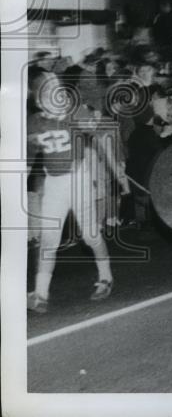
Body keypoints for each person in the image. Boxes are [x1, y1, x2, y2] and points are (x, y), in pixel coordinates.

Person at [26, 74, 129, 313]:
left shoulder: (76, 112)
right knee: (48, 239)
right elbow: (29, 158)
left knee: (90, 235)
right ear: (40, 101)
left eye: (57, 88)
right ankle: (41, 294)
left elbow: (103, 141)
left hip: (79, 179)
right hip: (53, 183)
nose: (56, 94)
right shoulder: (34, 122)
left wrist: (118, 174)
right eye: (49, 90)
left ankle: (106, 277)